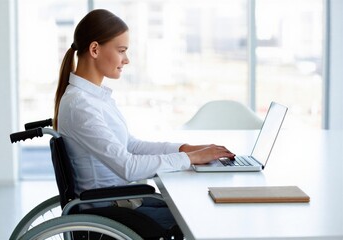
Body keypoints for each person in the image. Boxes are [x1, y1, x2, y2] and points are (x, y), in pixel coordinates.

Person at [53, 9, 235, 230]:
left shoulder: (93, 98)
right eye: (121, 51)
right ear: (94, 49)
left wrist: (185, 149)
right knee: (200, 217)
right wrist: (189, 158)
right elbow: (128, 167)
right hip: (110, 213)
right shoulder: (80, 105)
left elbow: (131, 145)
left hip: (123, 203)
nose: (126, 60)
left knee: (197, 205)